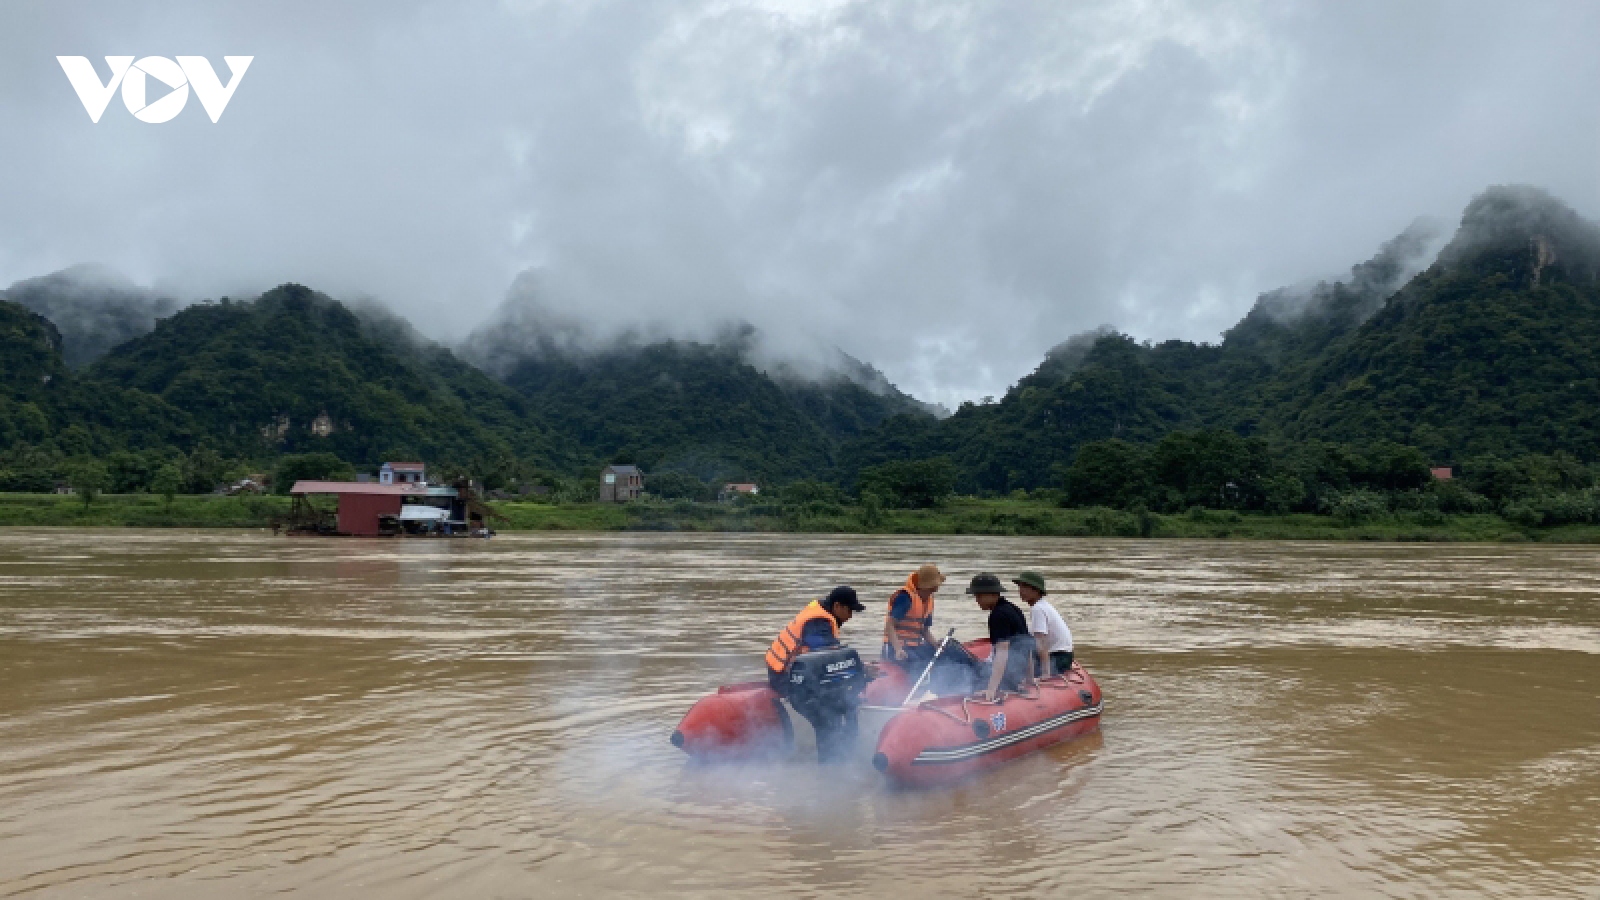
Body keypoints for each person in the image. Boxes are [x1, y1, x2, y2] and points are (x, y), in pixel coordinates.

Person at [765, 585, 867, 761]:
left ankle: (843, 756)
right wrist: (861, 670)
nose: (850, 617)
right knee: (826, 717)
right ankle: (829, 768)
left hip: (796, 671)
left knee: (845, 703)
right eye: (849, 611)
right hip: (785, 676)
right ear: (838, 607)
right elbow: (823, 655)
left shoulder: (821, 612)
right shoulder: (818, 623)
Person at [967, 573, 1036, 702]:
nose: (977, 600)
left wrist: (992, 689)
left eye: (979, 595)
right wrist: (1029, 678)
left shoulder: (997, 616)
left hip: (1007, 678)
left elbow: (1002, 652)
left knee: (965, 674)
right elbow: (1028, 646)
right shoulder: (1014, 609)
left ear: (993, 594)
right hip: (1016, 675)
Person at [883, 564, 945, 671]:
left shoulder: (929, 600)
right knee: (919, 666)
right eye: (934, 588)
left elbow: (924, 630)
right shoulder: (905, 597)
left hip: (915, 647)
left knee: (940, 660)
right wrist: (898, 649)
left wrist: (935, 644)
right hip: (896, 647)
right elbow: (890, 624)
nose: (936, 590)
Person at [1014, 571, 1074, 676]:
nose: (1020, 591)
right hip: (1065, 656)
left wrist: (1045, 674)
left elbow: (1041, 642)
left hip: (1058, 658)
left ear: (1036, 590)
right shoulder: (1044, 605)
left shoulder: (1038, 609)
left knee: (1014, 670)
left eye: (1025, 587)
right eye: (1020, 587)